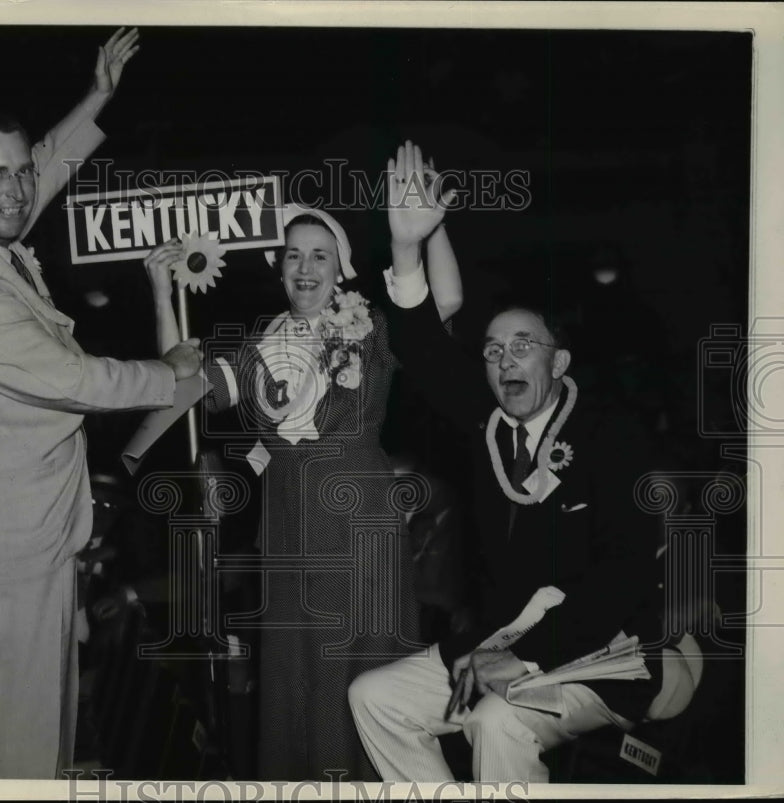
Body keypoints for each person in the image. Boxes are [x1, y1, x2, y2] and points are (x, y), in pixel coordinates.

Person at [0, 29, 201, 779]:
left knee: (45, 733)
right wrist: (170, 374)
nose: (15, 190)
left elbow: (44, 168)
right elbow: (79, 380)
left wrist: (98, 95)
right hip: (6, 548)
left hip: (26, 527)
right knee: (18, 749)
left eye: (18, 171)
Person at [143, 142, 459, 781]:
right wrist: (160, 292)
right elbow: (180, 386)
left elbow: (443, 305)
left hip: (359, 522)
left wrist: (430, 231)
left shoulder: (371, 322)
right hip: (287, 528)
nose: (306, 266)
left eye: (320, 255)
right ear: (278, 268)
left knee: (363, 680)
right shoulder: (260, 345)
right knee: (296, 683)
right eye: (294, 255)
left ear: (340, 268)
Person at [348, 224, 668, 780]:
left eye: (523, 346)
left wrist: (525, 655)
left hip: (603, 652)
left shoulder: (614, 436)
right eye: (494, 350)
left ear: (560, 363)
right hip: (498, 638)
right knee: (374, 696)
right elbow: (423, 351)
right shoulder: (488, 426)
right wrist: (405, 246)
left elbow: (625, 575)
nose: (505, 360)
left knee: (496, 721)